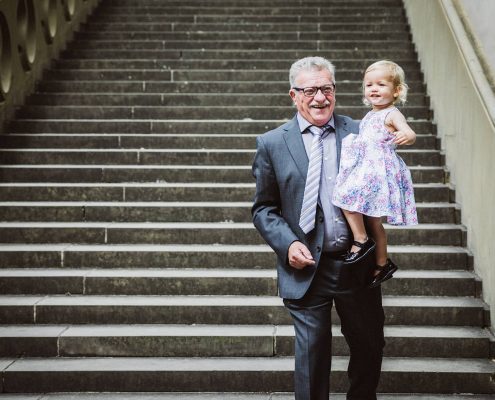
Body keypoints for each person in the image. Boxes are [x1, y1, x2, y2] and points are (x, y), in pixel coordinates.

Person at [252, 56, 385, 400]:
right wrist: (287, 243)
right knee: (311, 359)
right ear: (293, 96)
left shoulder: (358, 131)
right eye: (310, 90)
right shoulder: (272, 143)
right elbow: (264, 209)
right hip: (306, 267)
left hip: (356, 263)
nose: (320, 98)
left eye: (327, 89)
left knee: (369, 348)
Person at [332, 60, 418, 288]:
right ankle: (382, 263)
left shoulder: (391, 114)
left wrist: (407, 136)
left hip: (377, 170)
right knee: (374, 222)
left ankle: (360, 240)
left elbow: (409, 132)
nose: (374, 89)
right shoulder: (371, 114)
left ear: (397, 91)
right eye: (369, 84)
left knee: (347, 198)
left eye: (381, 84)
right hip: (368, 168)